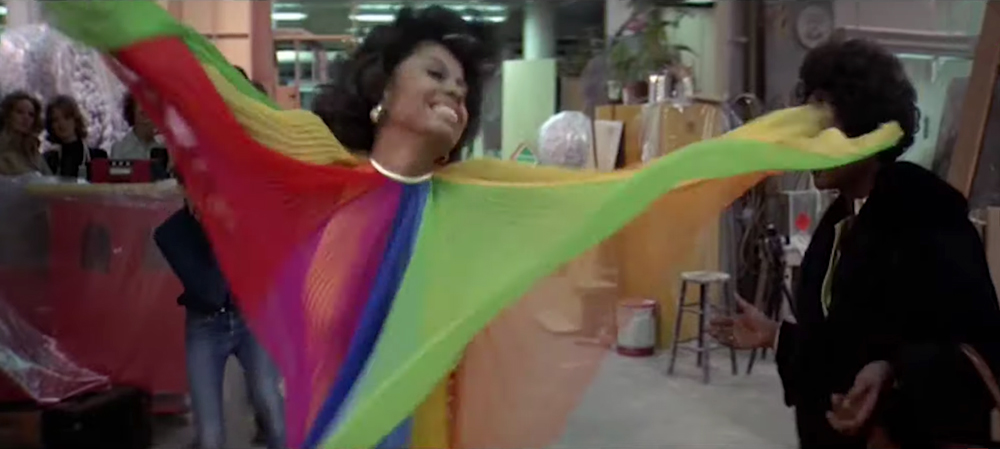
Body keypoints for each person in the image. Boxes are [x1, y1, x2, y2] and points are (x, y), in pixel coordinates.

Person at [710, 39, 1000, 448]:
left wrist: (893, 371)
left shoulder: (926, 211)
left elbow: (981, 348)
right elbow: (842, 348)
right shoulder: (837, 222)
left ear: (866, 127)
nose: (808, 145)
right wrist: (774, 335)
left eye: (823, 128)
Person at [154, 188, 285, 449]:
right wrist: (218, 229)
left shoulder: (247, 218)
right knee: (209, 437)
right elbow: (212, 292)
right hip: (206, 328)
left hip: (250, 319)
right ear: (184, 191)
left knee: (271, 406)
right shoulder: (171, 233)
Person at [42, 95, 108, 178]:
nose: (61, 124)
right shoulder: (48, 160)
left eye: (67, 117)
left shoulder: (97, 157)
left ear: (76, 120)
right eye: (55, 120)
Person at [0, 91, 49, 176]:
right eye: (19, 112)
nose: (26, 117)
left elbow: (49, 178)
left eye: (31, 114)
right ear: (8, 115)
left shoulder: (33, 151)